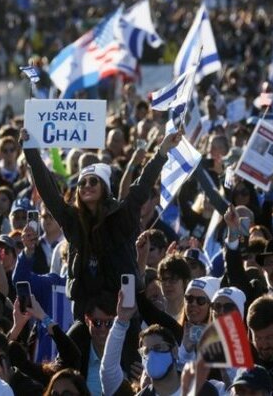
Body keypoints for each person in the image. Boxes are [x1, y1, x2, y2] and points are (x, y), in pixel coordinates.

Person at [21, 128, 182, 319]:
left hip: (121, 313)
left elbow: (142, 185)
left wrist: (162, 152)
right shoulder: (72, 220)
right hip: (85, 313)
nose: (87, 186)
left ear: (104, 188)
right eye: (82, 183)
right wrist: (31, 151)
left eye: (93, 182)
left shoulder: (123, 214)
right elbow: (48, 192)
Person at [136, 324, 218, 395]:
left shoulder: (204, 391)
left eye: (158, 347)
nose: (152, 355)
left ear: (174, 351)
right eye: (146, 351)